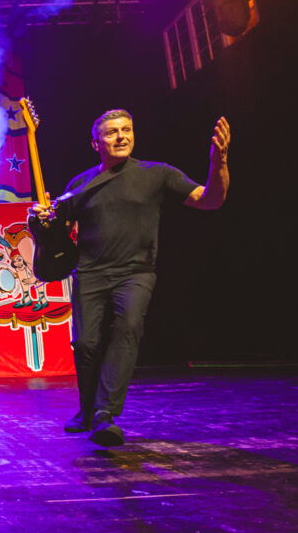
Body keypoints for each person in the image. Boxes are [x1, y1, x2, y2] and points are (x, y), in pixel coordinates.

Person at [32, 109, 230, 446]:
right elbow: (56, 235)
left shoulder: (158, 174)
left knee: (127, 328)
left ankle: (104, 413)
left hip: (136, 272)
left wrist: (219, 162)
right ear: (96, 143)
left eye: (126, 130)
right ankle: (87, 409)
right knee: (86, 344)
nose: (121, 136)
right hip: (90, 272)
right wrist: (40, 220)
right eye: (112, 132)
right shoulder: (79, 184)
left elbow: (211, 200)